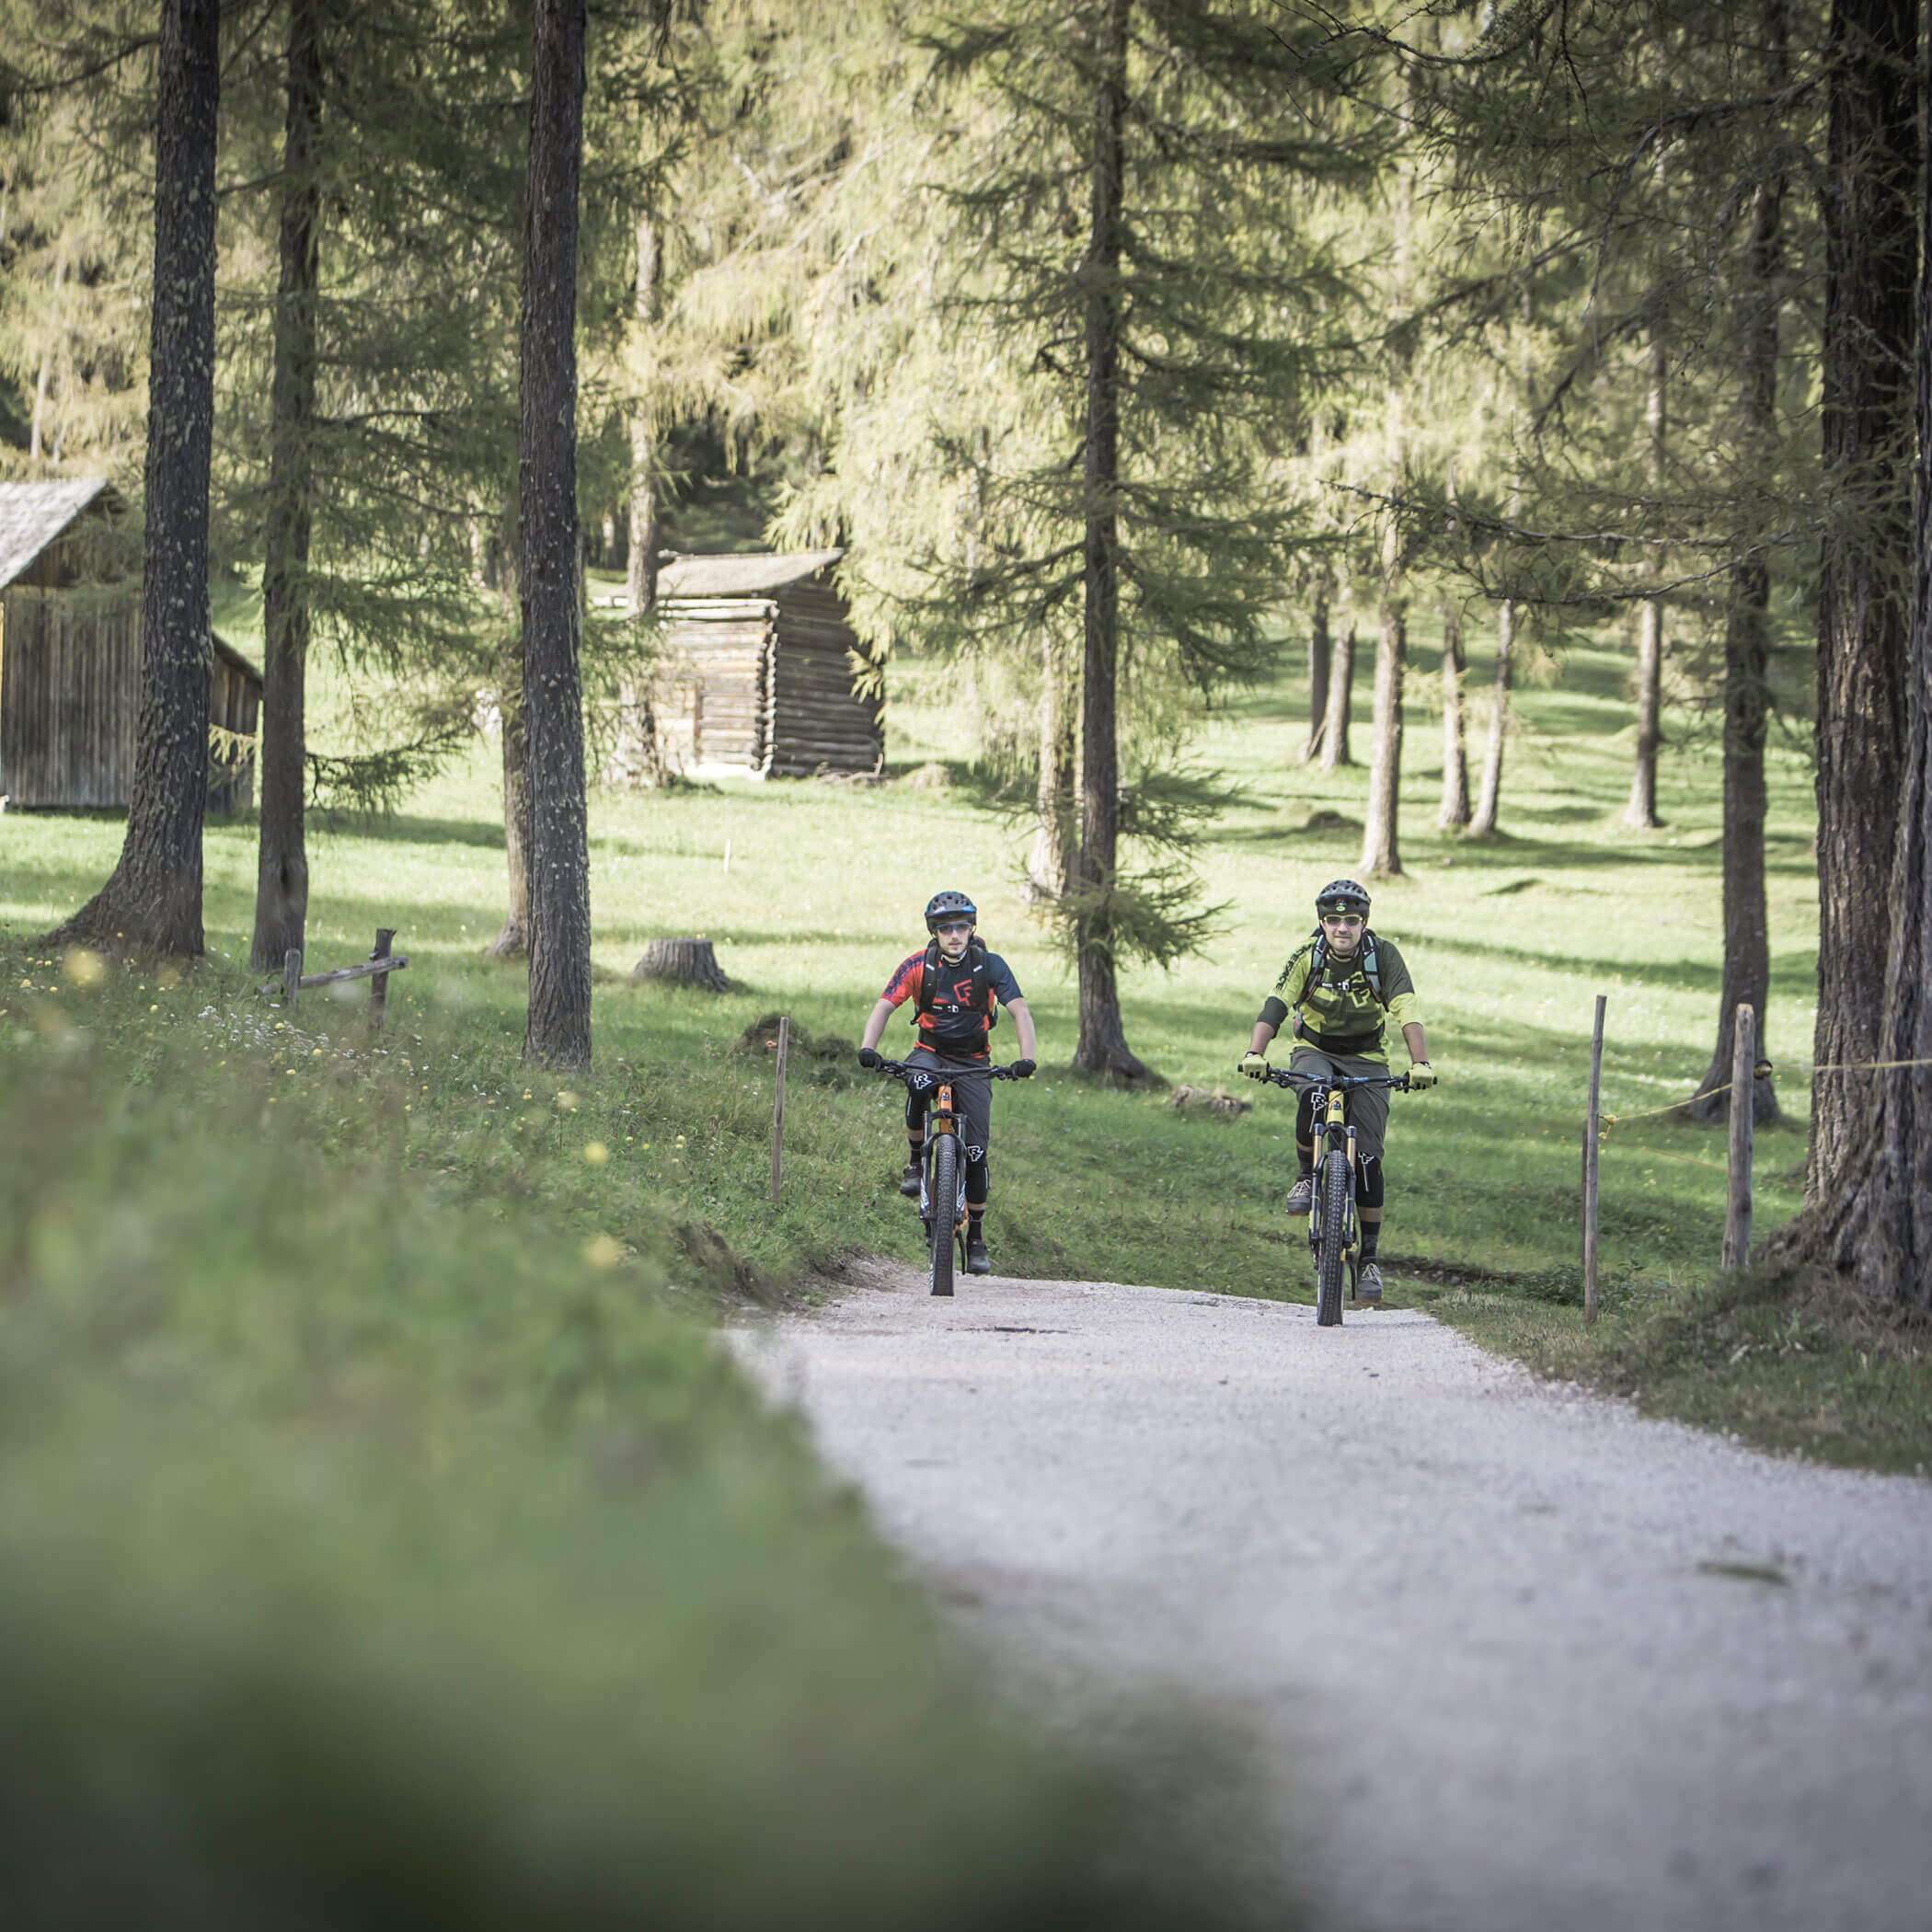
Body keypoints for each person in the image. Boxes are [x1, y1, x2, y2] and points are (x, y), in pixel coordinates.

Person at [1237, 877, 1435, 1304]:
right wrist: (1255, 1052)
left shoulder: (1383, 956)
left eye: (1351, 921)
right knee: (1312, 1094)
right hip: (1315, 1050)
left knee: (1368, 1162)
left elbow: (1406, 1008)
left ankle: (1369, 1260)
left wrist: (1419, 1062)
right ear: (1322, 922)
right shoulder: (1307, 956)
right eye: (1333, 920)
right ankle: (1305, 1177)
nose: (1341, 928)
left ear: (1364, 922)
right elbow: (1277, 1002)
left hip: (1368, 1058)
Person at [857, 890, 1037, 1275]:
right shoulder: (918, 965)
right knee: (918, 1082)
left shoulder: (990, 965)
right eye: (945, 929)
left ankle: (976, 1237)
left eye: (961, 927)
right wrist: (868, 1048)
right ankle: (914, 1162)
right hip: (930, 1052)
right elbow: (885, 1005)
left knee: (976, 1152)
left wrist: (1027, 1058)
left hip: (973, 1062)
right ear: (934, 933)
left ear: (972, 929)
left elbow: (1020, 1010)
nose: (954, 935)